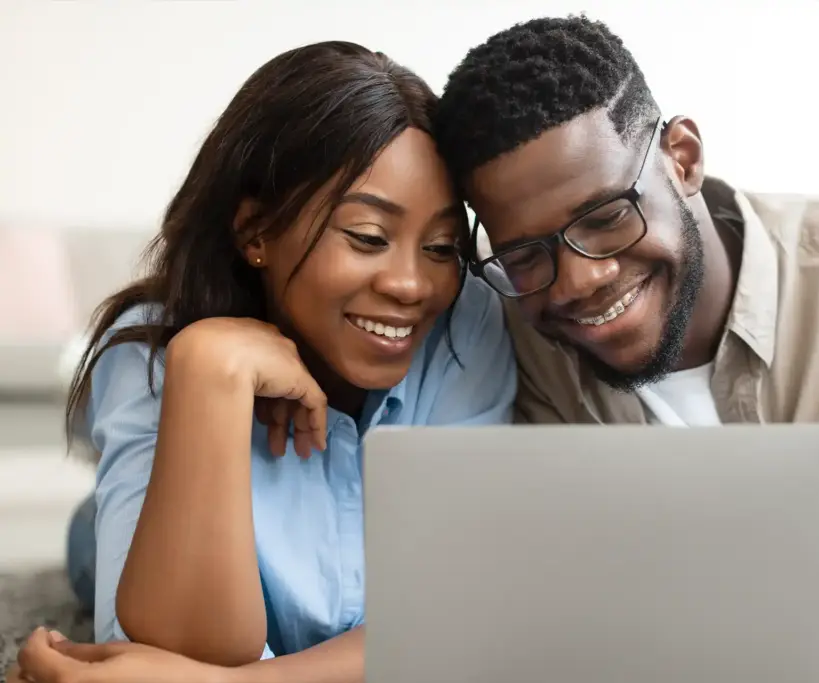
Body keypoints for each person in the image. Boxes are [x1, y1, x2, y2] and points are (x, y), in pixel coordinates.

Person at [429, 15, 819, 683]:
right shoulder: (496, 316)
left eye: (606, 218)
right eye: (527, 254)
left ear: (682, 157)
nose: (581, 279)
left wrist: (749, 585)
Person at [7, 41, 516, 683]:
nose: (412, 285)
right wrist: (207, 370)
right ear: (255, 232)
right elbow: (175, 645)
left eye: (441, 246)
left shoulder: (467, 327)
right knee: (93, 550)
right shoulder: (157, 354)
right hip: (150, 443)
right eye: (367, 238)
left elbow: (465, 621)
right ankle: (104, 492)